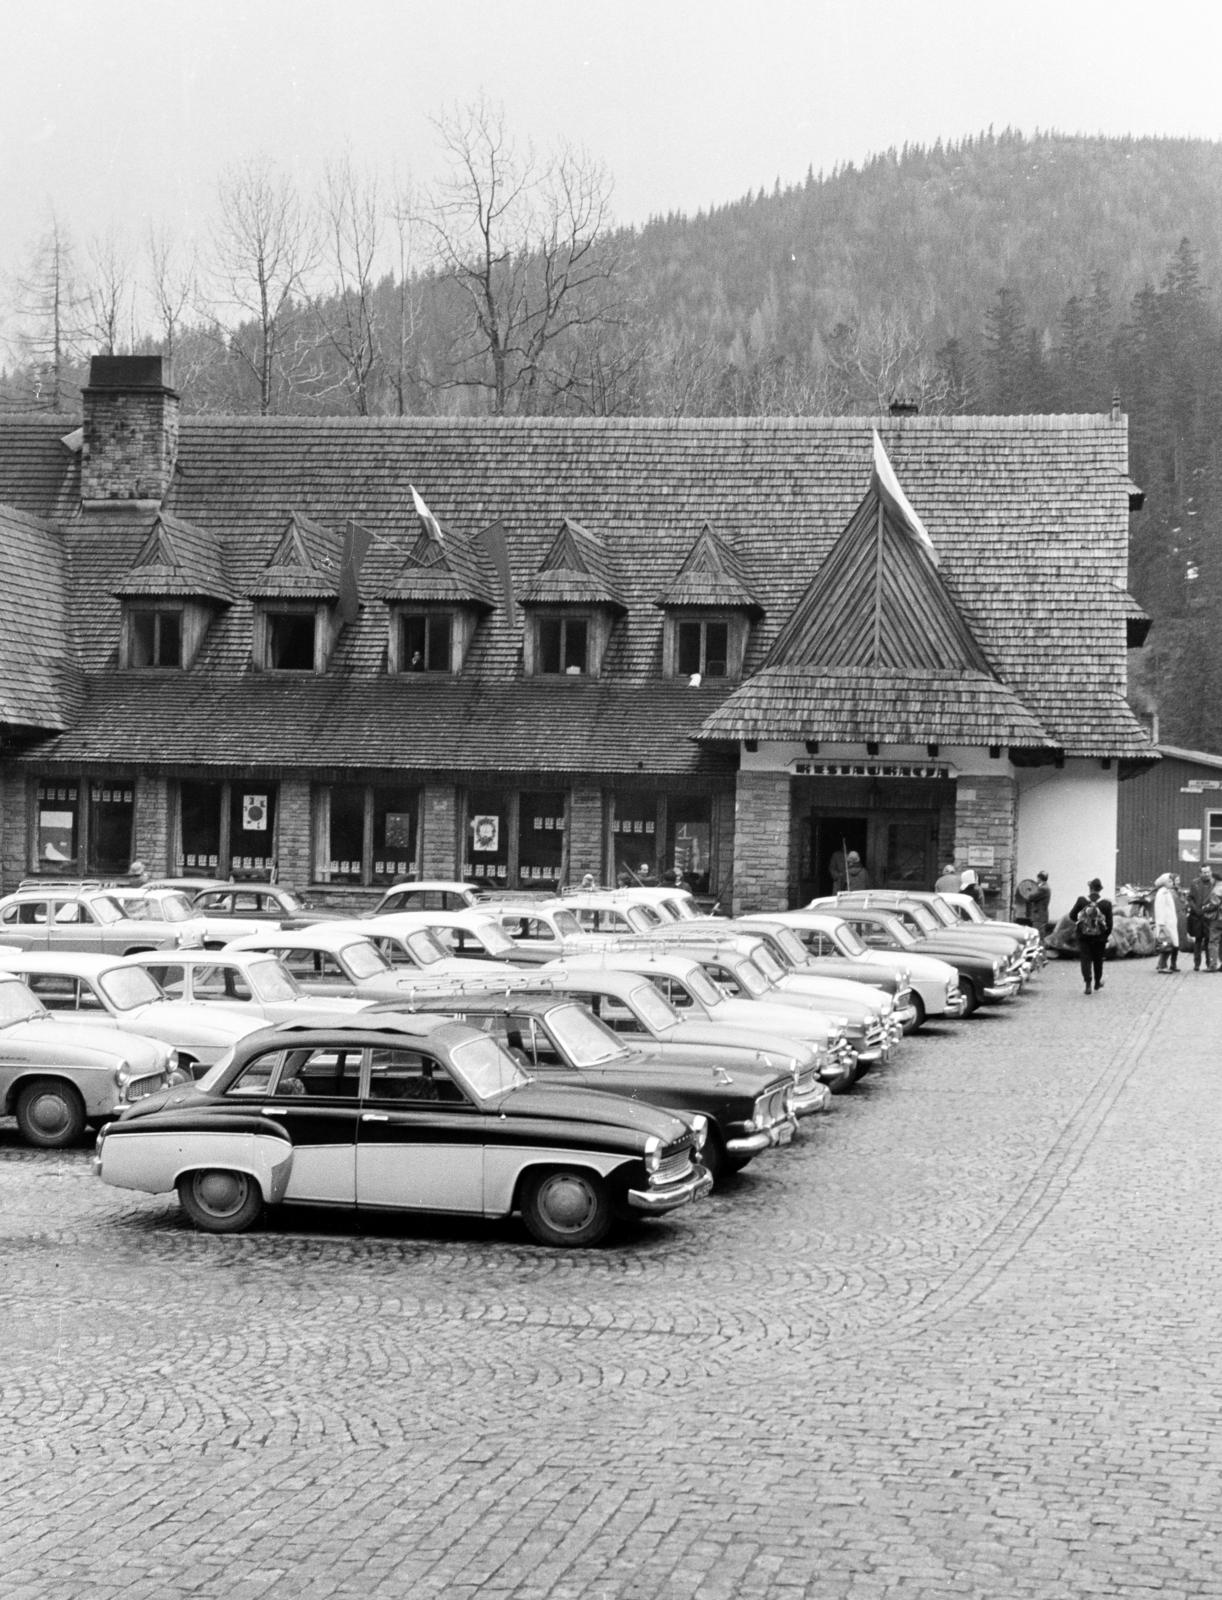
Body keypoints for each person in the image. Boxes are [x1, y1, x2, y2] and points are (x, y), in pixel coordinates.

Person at [1068, 877, 1113, 995]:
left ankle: (1088, 983)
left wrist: (1080, 924)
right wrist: (1105, 936)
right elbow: (1110, 924)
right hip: (1100, 938)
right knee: (1098, 960)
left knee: (1085, 959)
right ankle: (1097, 983)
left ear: (1090, 888)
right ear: (1100, 890)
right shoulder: (1106, 903)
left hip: (1083, 936)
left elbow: (1072, 916)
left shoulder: (1082, 901)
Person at [1187, 864, 1215, 971]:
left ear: (1211, 872)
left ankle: (1209, 964)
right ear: (1200, 873)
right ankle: (1196, 964)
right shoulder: (1194, 883)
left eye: (1208, 872)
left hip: (1209, 916)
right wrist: (1195, 909)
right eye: (1204, 872)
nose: (1206, 874)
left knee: (1209, 940)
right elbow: (1190, 898)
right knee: (1198, 940)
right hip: (1197, 916)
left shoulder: (1214, 884)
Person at [1151, 872, 1180, 973]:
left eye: (1172, 881)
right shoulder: (1162, 893)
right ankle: (1163, 966)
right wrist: (1161, 924)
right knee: (1166, 945)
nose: (1171, 883)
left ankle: (1161, 964)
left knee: (1168, 944)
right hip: (1166, 924)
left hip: (1170, 923)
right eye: (1169, 881)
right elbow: (1160, 909)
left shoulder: (1167, 892)